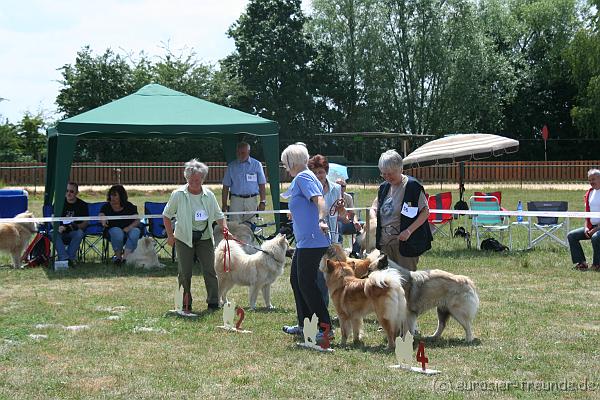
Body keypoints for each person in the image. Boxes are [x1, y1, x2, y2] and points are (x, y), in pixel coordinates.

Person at [280, 144, 333, 342]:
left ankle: (325, 328)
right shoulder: (301, 178)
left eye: (286, 163)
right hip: (304, 241)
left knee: (307, 283)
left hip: (313, 240)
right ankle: (305, 324)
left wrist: (321, 219)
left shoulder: (303, 177)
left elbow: (319, 200)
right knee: (297, 280)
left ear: (292, 162)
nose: (285, 167)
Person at [163, 159, 228, 313]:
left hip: (204, 237)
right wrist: (170, 236)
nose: (194, 183)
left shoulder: (209, 195)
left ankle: (213, 302)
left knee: (210, 270)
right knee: (185, 273)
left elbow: (219, 215)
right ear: (186, 179)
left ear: (203, 179)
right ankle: (185, 303)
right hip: (184, 238)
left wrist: (225, 229)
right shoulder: (178, 194)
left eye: (197, 180)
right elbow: (166, 215)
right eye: (191, 180)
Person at [372, 149, 432, 271]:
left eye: (390, 173)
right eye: (384, 174)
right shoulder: (383, 188)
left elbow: (425, 212)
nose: (387, 177)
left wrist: (409, 231)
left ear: (400, 169)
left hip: (406, 244)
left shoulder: (412, 186)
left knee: (406, 282)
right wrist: (374, 221)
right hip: (385, 244)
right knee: (387, 283)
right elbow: (374, 208)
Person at [307, 154, 343, 306]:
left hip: (333, 238)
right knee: (319, 277)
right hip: (315, 237)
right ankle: (322, 310)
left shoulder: (336, 188)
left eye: (320, 172)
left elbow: (340, 213)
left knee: (334, 277)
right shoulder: (309, 188)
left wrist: (343, 210)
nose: (318, 175)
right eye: (314, 172)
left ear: (326, 171)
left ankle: (337, 308)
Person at [222, 141, 267, 224]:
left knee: (250, 225)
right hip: (236, 200)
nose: (240, 155)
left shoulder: (257, 164)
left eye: (243, 153)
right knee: (234, 225)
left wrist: (263, 201)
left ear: (248, 152)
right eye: (238, 153)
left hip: (251, 200)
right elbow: (225, 186)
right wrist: (224, 204)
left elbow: (262, 184)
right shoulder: (231, 166)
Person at [567, 168, 600, 272]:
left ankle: (597, 264)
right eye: (589, 180)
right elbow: (587, 214)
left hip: (598, 229)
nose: (591, 182)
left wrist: (596, 229)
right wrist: (586, 227)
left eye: (593, 179)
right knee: (572, 235)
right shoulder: (589, 193)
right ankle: (581, 263)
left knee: (595, 237)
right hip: (592, 227)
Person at [99, 185, 141, 265]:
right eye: (111, 195)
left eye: (115, 195)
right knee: (117, 232)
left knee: (136, 231)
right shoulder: (106, 206)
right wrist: (102, 219)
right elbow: (101, 214)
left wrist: (129, 227)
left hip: (128, 229)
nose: (112, 197)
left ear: (121, 196)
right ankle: (118, 258)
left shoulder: (129, 206)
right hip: (112, 231)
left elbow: (137, 220)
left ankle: (125, 258)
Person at [54, 182, 88, 268]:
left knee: (80, 233)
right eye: (67, 191)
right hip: (60, 231)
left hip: (73, 231)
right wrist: (57, 227)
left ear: (77, 193)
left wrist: (76, 227)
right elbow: (52, 218)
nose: (68, 193)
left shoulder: (82, 205)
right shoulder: (59, 203)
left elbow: (85, 223)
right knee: (52, 233)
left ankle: (68, 258)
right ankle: (65, 258)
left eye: (72, 191)